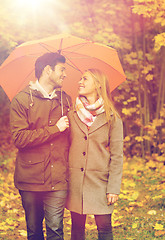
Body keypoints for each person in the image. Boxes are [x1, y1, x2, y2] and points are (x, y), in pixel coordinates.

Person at [10, 52, 72, 240]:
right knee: (34, 233)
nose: (65, 74)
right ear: (47, 70)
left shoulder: (65, 100)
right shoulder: (21, 100)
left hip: (58, 177)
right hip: (30, 179)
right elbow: (19, 138)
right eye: (62, 69)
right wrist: (55, 129)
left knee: (56, 231)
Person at [66, 69, 123, 240]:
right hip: (75, 181)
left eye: (85, 79)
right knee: (76, 229)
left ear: (98, 84)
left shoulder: (112, 118)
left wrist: (113, 188)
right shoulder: (72, 114)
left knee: (104, 228)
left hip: (100, 182)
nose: (79, 82)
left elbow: (117, 156)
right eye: (80, 79)